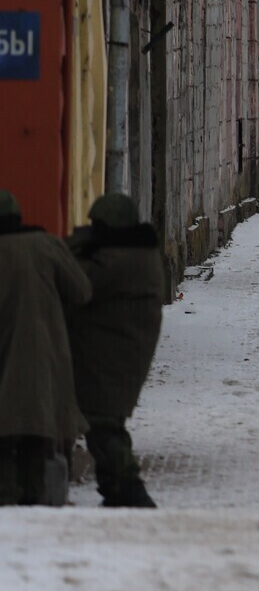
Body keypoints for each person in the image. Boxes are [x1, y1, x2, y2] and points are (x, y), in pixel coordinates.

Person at [65, 194, 163, 508]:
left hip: (112, 359)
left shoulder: (119, 259)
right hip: (115, 355)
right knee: (105, 423)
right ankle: (116, 489)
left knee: (103, 425)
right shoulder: (138, 252)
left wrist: (74, 244)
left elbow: (78, 282)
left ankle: (129, 488)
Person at [0, 189, 91, 506]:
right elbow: (81, 291)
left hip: (5, 360)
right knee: (36, 434)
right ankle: (35, 503)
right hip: (45, 358)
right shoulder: (47, 245)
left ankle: (8, 503)